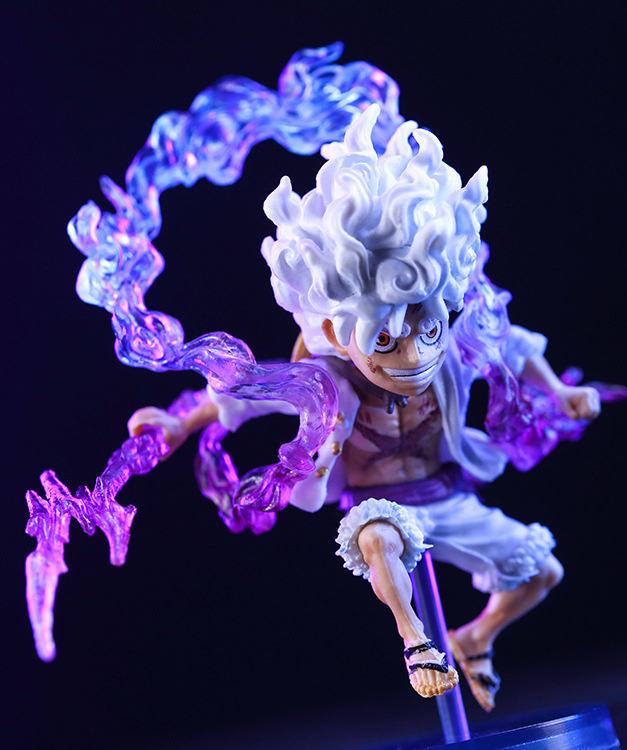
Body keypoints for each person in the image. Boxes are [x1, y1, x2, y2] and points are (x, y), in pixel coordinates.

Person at [129, 105, 600, 711]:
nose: (414, 354)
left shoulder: (453, 352)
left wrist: (558, 391)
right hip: (383, 504)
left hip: (447, 497)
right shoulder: (325, 382)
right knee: (378, 536)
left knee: (542, 571)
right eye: (385, 339)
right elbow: (241, 389)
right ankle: (417, 643)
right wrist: (179, 422)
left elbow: (513, 346)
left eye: (428, 329)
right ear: (334, 328)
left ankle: (476, 637)